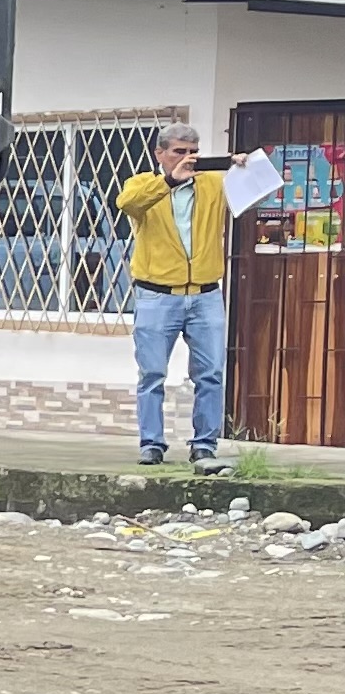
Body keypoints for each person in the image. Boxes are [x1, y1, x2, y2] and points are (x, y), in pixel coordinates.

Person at [114, 123, 235, 472]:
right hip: (156, 295)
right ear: (160, 153)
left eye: (192, 152)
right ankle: (152, 444)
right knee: (152, 374)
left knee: (210, 374)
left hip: (206, 294)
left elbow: (254, 196)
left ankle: (204, 446)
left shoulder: (212, 184)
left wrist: (246, 165)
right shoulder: (143, 184)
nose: (187, 158)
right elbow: (126, 203)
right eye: (179, 151)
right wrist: (169, 182)